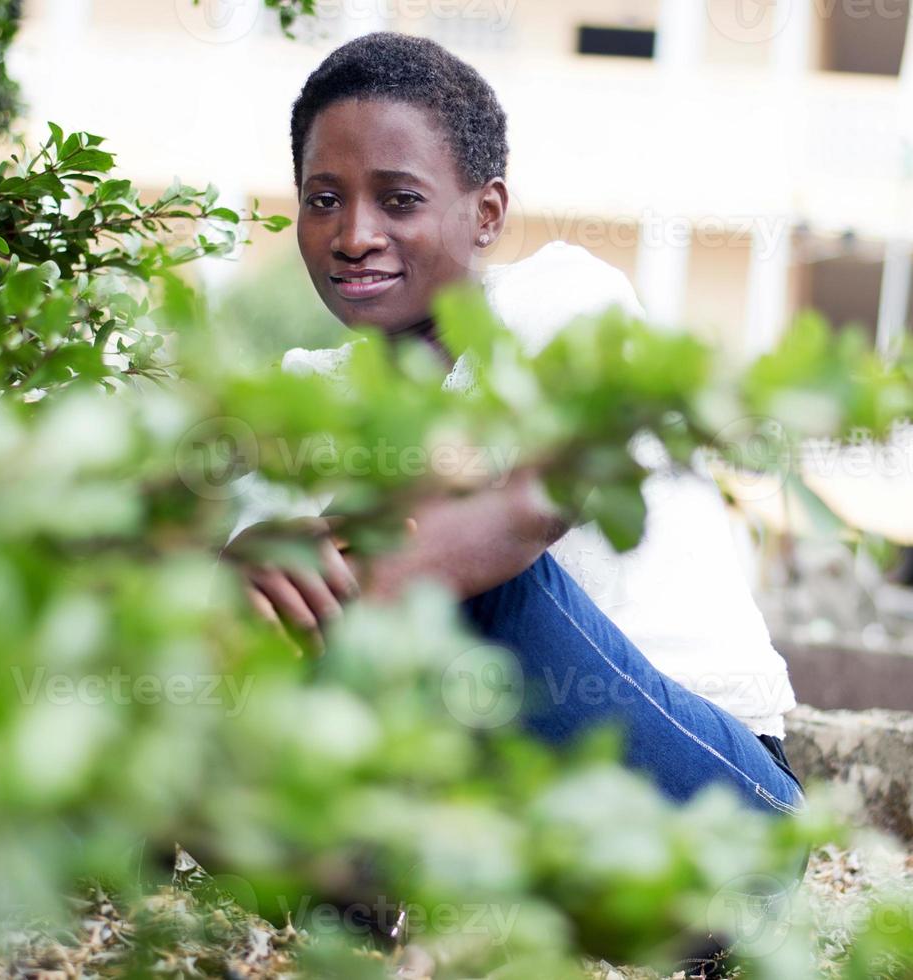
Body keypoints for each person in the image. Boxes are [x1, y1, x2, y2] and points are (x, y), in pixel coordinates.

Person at [224, 31, 804, 820]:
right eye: (324, 200)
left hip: (714, 799)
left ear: (487, 214)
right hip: (510, 820)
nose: (354, 236)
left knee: (465, 563)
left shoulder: (562, 300)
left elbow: (524, 507)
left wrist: (311, 573)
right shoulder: (301, 395)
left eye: (400, 200)